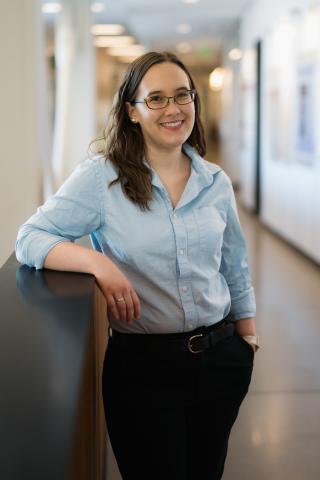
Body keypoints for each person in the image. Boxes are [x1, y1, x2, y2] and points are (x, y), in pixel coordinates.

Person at [16, 51, 259, 480]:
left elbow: (234, 266)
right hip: (145, 371)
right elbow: (31, 238)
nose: (173, 108)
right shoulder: (102, 179)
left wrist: (247, 342)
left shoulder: (215, 181)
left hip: (222, 360)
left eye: (182, 95)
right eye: (157, 98)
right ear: (132, 111)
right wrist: (98, 264)